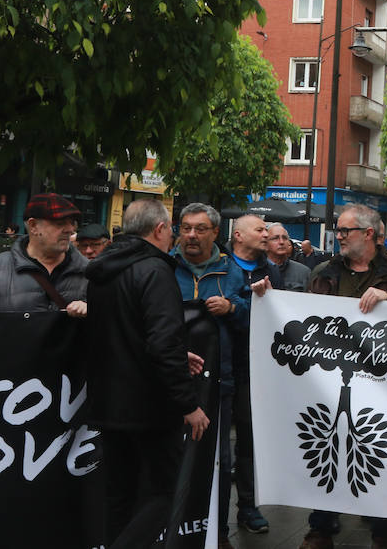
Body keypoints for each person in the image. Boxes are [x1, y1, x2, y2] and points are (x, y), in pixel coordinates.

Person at [84, 199, 209, 549]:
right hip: (149, 405)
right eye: (171, 228)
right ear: (158, 229)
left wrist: (172, 352)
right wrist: (188, 403)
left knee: (119, 495)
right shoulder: (155, 270)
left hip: (109, 402)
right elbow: (163, 341)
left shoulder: (104, 270)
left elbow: (123, 331)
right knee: (162, 493)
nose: (174, 236)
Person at [299, 205, 387, 549]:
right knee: (325, 445)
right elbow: (304, 315)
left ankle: (382, 532)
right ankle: (320, 527)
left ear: (367, 233)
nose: (338, 237)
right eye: (338, 231)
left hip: (381, 382)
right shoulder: (324, 270)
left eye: (344, 231)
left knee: (381, 453)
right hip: (329, 376)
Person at [174, 202, 248, 549]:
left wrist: (232, 307)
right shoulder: (165, 266)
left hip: (219, 379)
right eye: (186, 227)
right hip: (169, 379)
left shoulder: (231, 272)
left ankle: (216, 531)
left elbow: (252, 317)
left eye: (200, 229)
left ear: (215, 233)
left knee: (218, 460)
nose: (191, 235)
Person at [226, 213, 277, 535]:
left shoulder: (269, 270)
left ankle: (247, 505)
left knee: (247, 441)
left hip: (252, 369)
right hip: (219, 364)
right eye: (260, 229)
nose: (267, 234)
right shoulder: (222, 267)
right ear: (239, 236)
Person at [0, 192, 89, 315]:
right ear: (33, 226)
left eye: (72, 223)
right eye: (60, 223)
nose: (70, 230)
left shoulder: (90, 273)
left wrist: (93, 312)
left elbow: (106, 325)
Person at [267, 222, 310, 292]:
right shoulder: (257, 270)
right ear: (265, 244)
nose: (281, 242)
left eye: (285, 238)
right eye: (275, 238)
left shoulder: (303, 272)